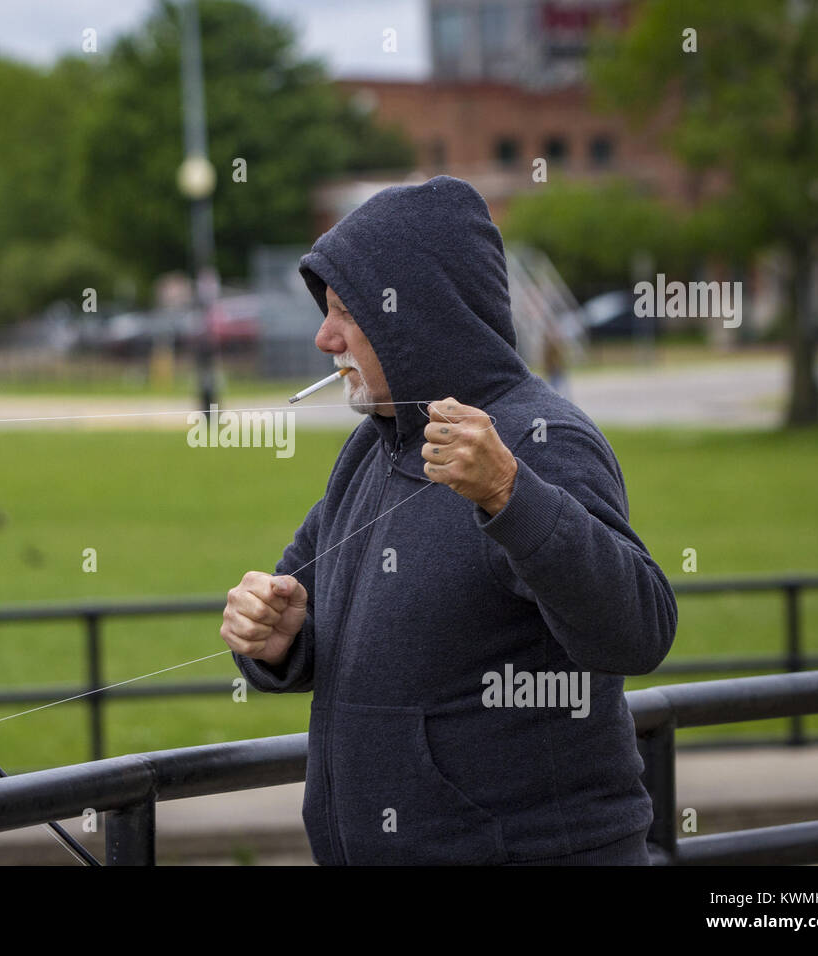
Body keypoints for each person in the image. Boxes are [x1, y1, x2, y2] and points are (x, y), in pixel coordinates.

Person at [220, 176, 677, 865]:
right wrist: (275, 639)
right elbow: (315, 618)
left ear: (416, 316)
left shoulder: (539, 437)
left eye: (347, 311)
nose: (324, 337)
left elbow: (638, 632)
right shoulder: (370, 450)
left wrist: (509, 493)